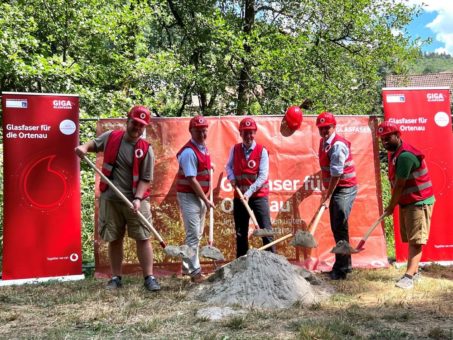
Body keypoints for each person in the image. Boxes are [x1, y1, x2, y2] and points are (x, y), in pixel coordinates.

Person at [75, 105, 160, 292]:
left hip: (136, 201)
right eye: (135, 123)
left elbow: (146, 179)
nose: (137, 128)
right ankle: (115, 278)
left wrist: (137, 199)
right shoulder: (111, 137)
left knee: (143, 237)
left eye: (142, 126)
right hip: (110, 199)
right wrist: (83, 147)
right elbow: (92, 145)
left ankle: (149, 277)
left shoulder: (146, 149)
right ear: (127, 120)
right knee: (114, 238)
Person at [377, 121, 435, 289]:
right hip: (409, 201)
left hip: (419, 201)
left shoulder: (404, 156)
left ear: (398, 135)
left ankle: (409, 277)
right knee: (411, 238)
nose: (385, 142)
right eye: (382, 139)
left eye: (388, 138)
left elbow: (400, 185)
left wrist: (390, 206)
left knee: (416, 240)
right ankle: (414, 272)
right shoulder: (395, 153)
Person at [226, 117, 275, 258]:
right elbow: (228, 166)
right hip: (240, 198)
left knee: (266, 230)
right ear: (240, 133)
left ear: (255, 133)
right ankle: (242, 263)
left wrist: (249, 192)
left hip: (258, 197)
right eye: (245, 132)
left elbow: (262, 176)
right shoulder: (234, 150)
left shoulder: (262, 151)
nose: (249, 136)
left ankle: (273, 263)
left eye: (251, 132)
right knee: (241, 233)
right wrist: (231, 178)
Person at [316, 112, 357, 280]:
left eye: (328, 128)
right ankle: (345, 265)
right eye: (322, 128)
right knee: (337, 227)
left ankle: (341, 269)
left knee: (339, 224)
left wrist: (327, 196)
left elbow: (337, 173)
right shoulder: (323, 143)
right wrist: (325, 193)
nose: (325, 131)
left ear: (334, 127)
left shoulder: (337, 145)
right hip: (335, 187)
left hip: (345, 188)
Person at [176, 115, 214, 283]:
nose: (202, 134)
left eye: (204, 130)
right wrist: (206, 201)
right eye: (198, 131)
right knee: (193, 236)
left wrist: (209, 165)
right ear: (191, 131)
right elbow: (191, 179)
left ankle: (187, 266)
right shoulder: (189, 152)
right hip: (190, 196)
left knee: (196, 235)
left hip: (199, 197)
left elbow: (201, 166)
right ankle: (195, 272)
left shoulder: (203, 148)